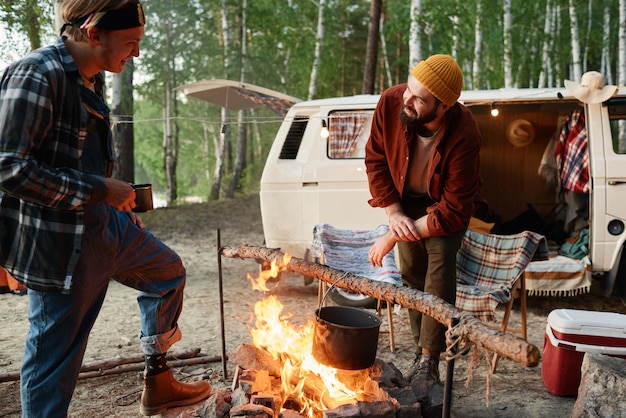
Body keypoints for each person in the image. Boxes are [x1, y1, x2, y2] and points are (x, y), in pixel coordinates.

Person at [0, 1, 212, 416]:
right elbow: (8, 169)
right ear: (93, 34)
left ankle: (160, 383)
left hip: (107, 226)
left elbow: (80, 157)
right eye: (130, 43)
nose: (136, 53)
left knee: (167, 274)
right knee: (53, 360)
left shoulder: (91, 77)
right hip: (60, 245)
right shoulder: (37, 74)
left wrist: (116, 203)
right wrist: (99, 189)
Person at [365, 54, 484, 389]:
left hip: (445, 204)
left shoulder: (465, 133)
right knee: (410, 271)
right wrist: (394, 214)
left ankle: (431, 358)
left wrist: (392, 236)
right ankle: (422, 349)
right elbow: (375, 158)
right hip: (405, 199)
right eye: (409, 89)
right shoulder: (392, 101)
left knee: (439, 260)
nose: (408, 99)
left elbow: (453, 211)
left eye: (419, 98)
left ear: (444, 106)